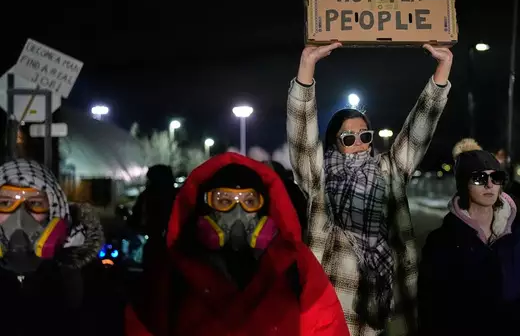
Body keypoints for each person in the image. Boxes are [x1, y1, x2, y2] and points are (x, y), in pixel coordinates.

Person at [287, 42, 453, 335]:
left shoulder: (389, 170)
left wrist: (442, 72)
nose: (359, 143)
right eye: (348, 138)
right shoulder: (319, 177)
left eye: (364, 135)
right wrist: (307, 68)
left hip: (386, 309)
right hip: (334, 309)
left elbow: (419, 129)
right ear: (335, 142)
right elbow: (302, 135)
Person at [125, 152, 349, 336]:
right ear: (205, 207)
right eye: (223, 201)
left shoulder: (295, 266)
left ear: (265, 208)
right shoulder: (174, 269)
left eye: (249, 202)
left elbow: (326, 326)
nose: (237, 213)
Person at [418, 139, 520, 336]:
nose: (489, 184)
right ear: (463, 183)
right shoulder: (442, 242)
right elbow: (431, 311)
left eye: (495, 177)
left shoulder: (519, 238)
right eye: (480, 178)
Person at [0, 159, 106, 336]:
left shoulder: (87, 275)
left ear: (55, 210)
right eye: (5, 204)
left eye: (35, 203)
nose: (19, 218)